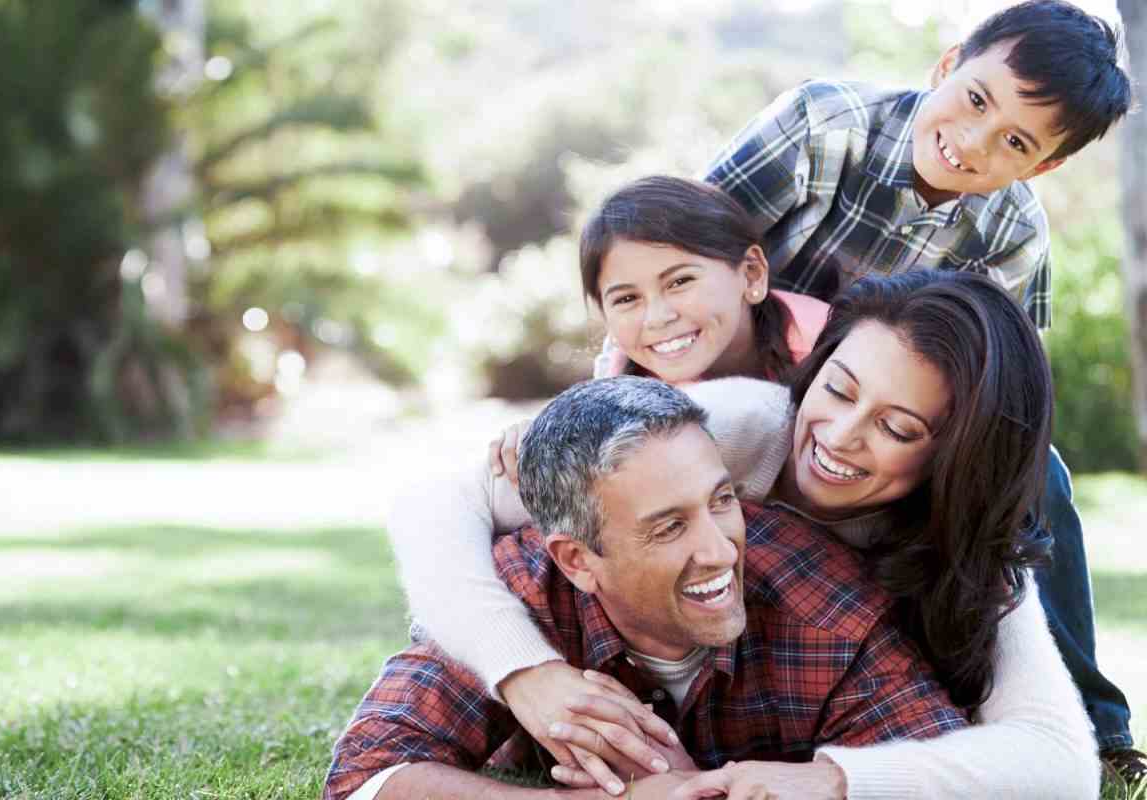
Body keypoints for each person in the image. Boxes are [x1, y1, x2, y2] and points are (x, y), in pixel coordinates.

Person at [389, 271, 1100, 798]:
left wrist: (829, 781)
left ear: (955, 457)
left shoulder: (972, 558)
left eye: (898, 427)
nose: (840, 437)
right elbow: (434, 500)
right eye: (841, 389)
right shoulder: (732, 427)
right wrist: (525, 673)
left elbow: (1060, 764)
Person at [701, 0, 1138, 779]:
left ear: (1042, 166)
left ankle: (1090, 721)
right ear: (945, 66)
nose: (972, 142)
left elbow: (1002, 393)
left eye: (1014, 141)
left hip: (890, 426)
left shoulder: (1013, 233)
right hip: (750, 382)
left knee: (1039, 475)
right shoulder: (822, 123)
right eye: (976, 99)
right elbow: (681, 263)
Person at [325, 377, 968, 800]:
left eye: (721, 501)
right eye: (668, 528)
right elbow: (367, 778)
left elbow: (954, 773)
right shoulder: (517, 592)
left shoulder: (830, 611)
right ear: (579, 561)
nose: (720, 550)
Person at [576, 175, 829, 387]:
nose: (657, 318)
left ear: (752, 274)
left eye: (679, 281)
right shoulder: (622, 389)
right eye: (627, 299)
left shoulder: (831, 353)